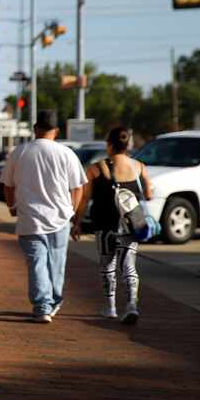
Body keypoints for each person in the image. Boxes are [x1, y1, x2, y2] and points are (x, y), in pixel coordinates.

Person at [2, 111, 87, 323]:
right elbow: (78, 187)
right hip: (60, 219)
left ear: (35, 129)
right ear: (56, 131)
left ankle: (42, 306)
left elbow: (8, 185)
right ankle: (54, 301)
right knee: (57, 263)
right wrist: (72, 210)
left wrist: (12, 206)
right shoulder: (66, 153)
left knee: (36, 263)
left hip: (30, 219)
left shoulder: (19, 152)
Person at [72, 126, 152, 324]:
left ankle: (110, 307)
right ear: (127, 145)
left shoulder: (96, 168)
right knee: (129, 265)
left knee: (107, 264)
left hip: (104, 225)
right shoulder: (139, 167)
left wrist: (77, 222)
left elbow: (84, 199)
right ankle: (132, 304)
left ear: (109, 145)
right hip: (131, 225)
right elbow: (148, 194)